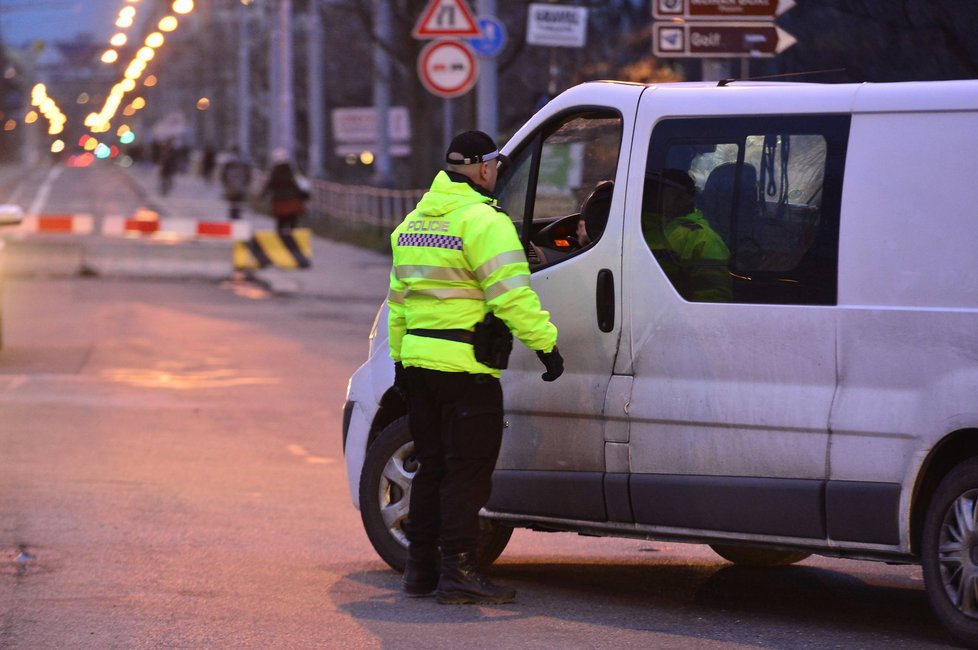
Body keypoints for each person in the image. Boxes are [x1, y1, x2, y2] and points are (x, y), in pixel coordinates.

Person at [388, 130, 564, 605]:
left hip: (420, 366)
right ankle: (459, 573)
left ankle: (419, 572)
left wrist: (400, 359)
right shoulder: (483, 221)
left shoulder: (413, 223)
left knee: (432, 469)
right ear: (486, 168)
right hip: (466, 368)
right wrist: (546, 344)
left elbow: (398, 303)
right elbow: (510, 294)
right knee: (467, 473)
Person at [641, 168, 732, 302]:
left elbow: (713, 297)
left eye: (663, 191)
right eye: (654, 190)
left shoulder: (701, 238)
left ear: (684, 198)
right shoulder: (634, 227)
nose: (653, 195)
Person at [261, 148, 308, 235]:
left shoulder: (274, 173)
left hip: (280, 204)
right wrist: (306, 196)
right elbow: (303, 185)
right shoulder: (294, 172)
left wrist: (262, 196)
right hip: (294, 203)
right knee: (293, 225)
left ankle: (280, 243)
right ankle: (294, 245)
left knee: (280, 226)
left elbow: (268, 186)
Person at [219, 147, 252, 220]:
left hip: (231, 188)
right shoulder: (244, 163)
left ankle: (233, 220)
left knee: (232, 206)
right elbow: (248, 176)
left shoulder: (228, 163)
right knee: (238, 206)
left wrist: (226, 184)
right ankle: (236, 220)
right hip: (241, 188)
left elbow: (223, 176)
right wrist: (246, 184)